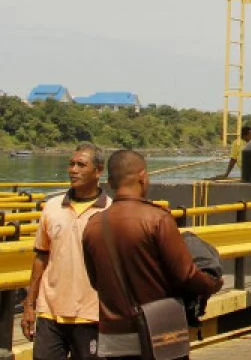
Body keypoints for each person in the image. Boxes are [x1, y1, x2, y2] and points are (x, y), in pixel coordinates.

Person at [82, 150, 222, 360]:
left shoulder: (93, 225)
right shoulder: (157, 219)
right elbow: (186, 275)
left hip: (113, 338)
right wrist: (212, 284)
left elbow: (96, 282)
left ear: (110, 182)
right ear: (142, 176)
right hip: (159, 335)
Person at [23, 143, 110, 360]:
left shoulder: (111, 211)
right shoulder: (52, 207)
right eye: (71, 164)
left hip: (91, 315)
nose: (73, 170)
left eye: (81, 164)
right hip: (50, 312)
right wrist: (29, 305)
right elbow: (41, 257)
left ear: (98, 170)